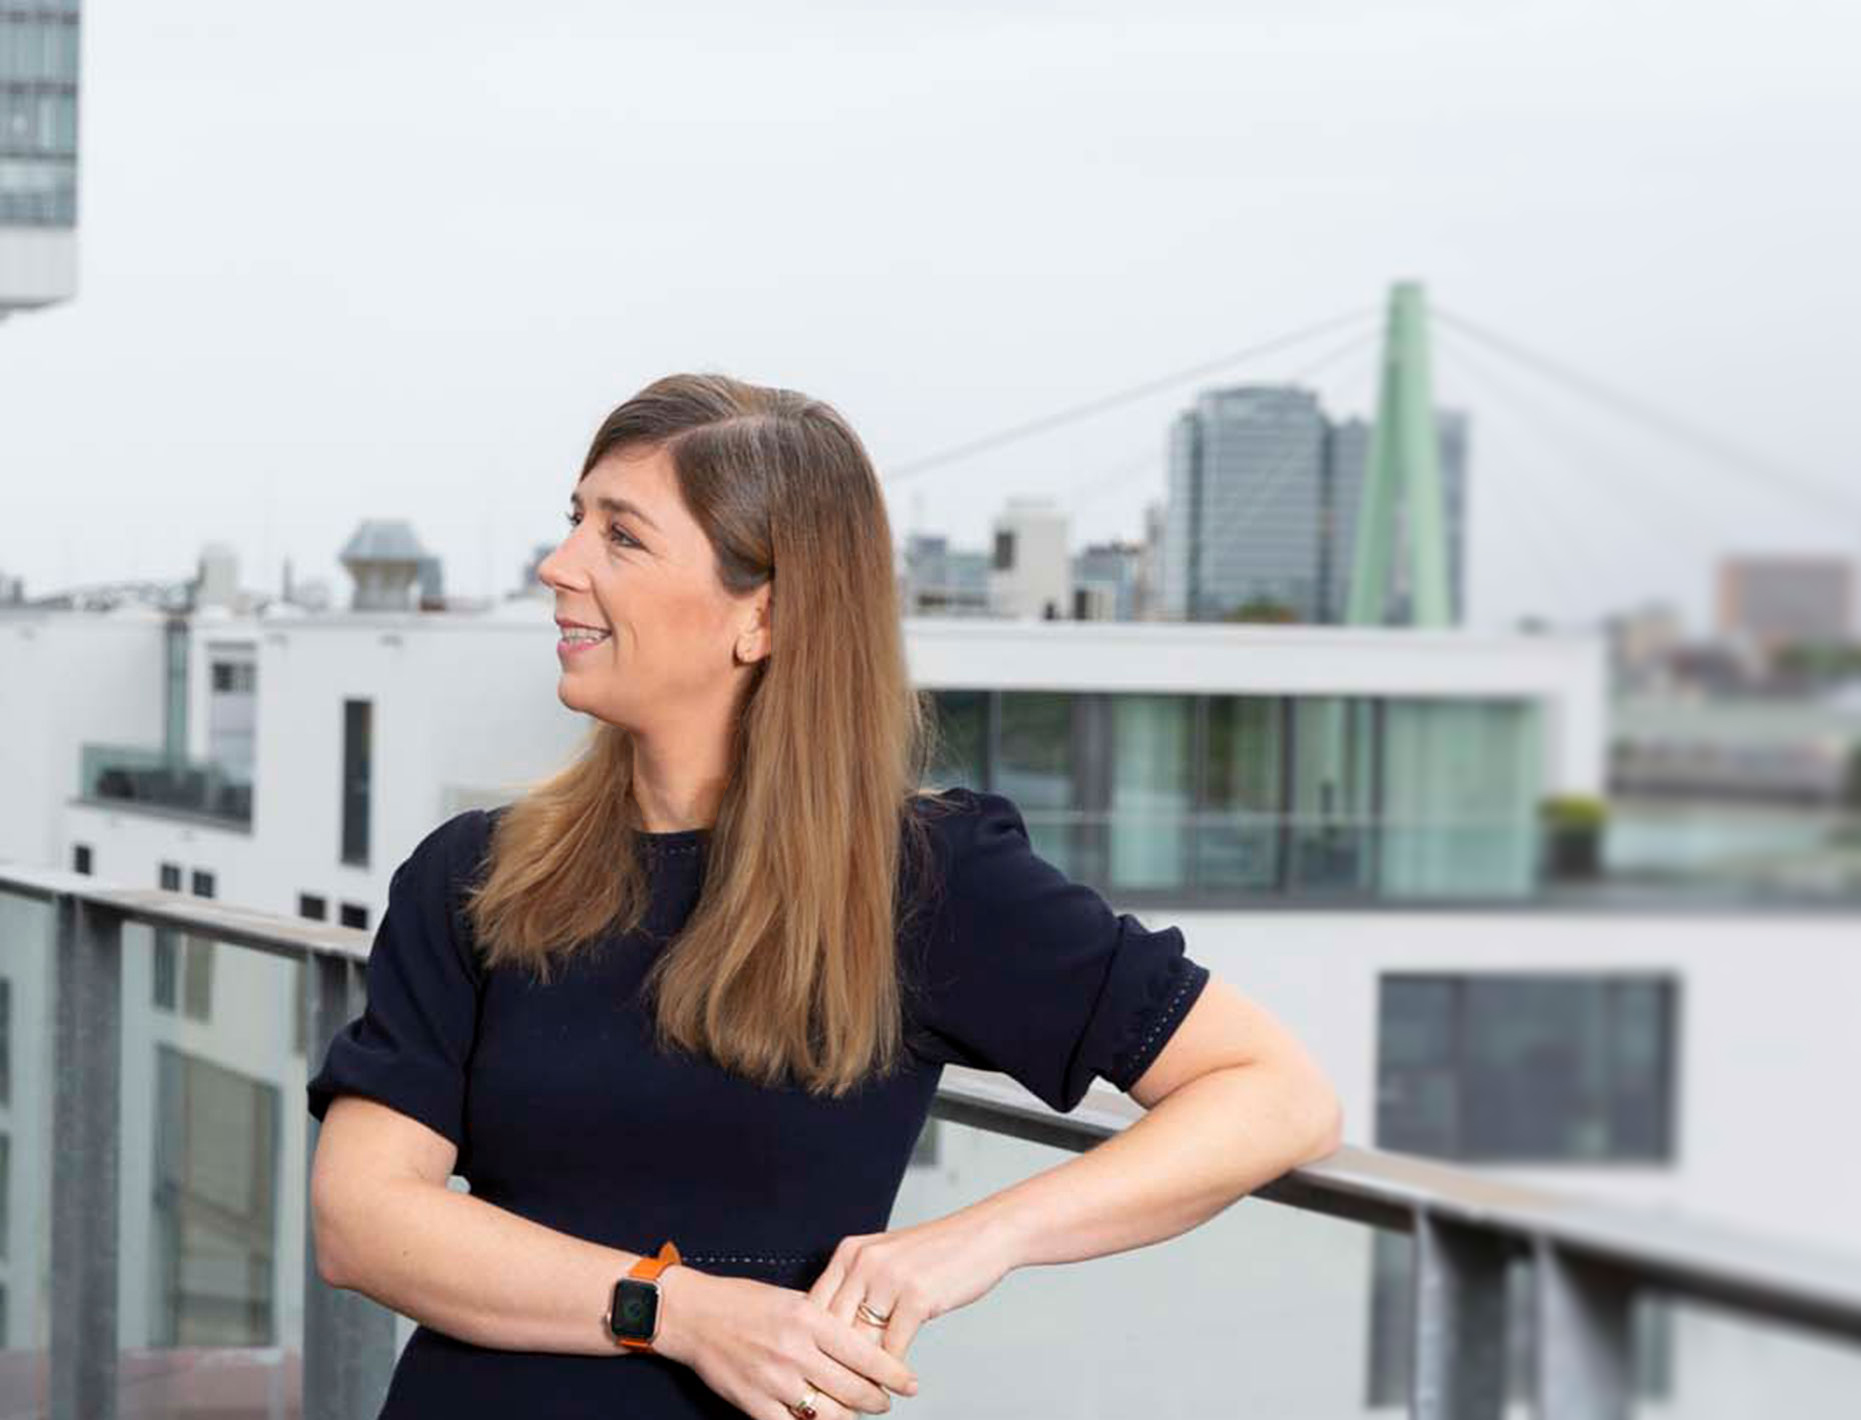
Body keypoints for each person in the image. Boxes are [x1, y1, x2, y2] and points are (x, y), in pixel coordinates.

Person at [305, 374, 1342, 1419]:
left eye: (621, 537)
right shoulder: (475, 874)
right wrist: (678, 1310)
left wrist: (976, 1241)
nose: (559, 565)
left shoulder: (924, 880)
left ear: (763, 614)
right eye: (577, 521)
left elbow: (1277, 1092)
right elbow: (359, 1219)